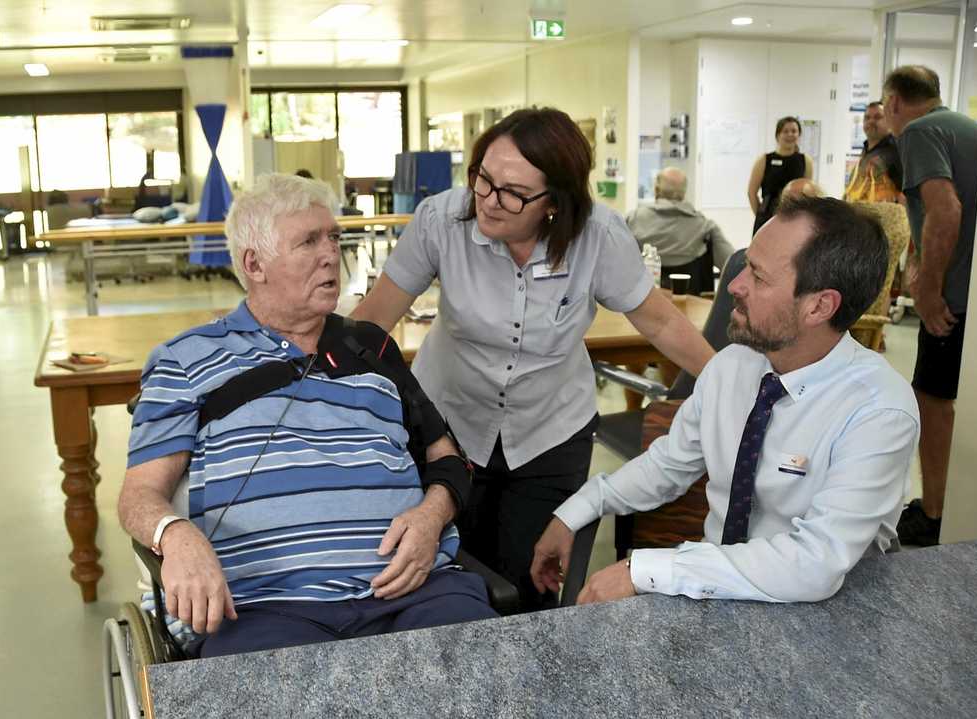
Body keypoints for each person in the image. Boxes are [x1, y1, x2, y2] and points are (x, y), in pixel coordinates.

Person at [351, 108, 714, 610]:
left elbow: (661, 322)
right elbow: (373, 322)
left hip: (550, 431)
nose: (490, 200)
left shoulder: (598, 237)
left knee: (528, 581)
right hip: (449, 424)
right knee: (454, 573)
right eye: (484, 179)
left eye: (514, 192)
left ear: (554, 201)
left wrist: (733, 385)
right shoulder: (442, 220)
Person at [119, 174, 496, 658]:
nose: (330, 255)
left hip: (415, 592)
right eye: (308, 241)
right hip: (266, 608)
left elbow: (450, 460)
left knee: (495, 681)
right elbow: (138, 497)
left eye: (333, 238)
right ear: (254, 264)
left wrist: (431, 516)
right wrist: (175, 535)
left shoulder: (372, 347)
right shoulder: (185, 360)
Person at [531, 196, 919, 605]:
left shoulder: (879, 411)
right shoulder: (733, 367)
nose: (734, 285)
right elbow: (667, 466)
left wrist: (645, 570)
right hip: (712, 591)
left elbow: (814, 564)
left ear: (819, 306)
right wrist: (575, 510)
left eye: (758, 275)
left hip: (826, 615)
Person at [881, 65, 977, 547]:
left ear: (894, 102)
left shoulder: (919, 133)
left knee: (932, 399)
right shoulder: (966, 128)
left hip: (956, 298)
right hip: (975, 293)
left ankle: (935, 512)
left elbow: (945, 209)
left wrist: (927, 290)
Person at [626, 167, 736, 294]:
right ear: (684, 193)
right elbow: (732, 266)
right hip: (690, 303)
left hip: (641, 301)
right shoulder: (705, 227)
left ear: (656, 190)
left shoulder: (632, 220)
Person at [748, 116, 815, 235]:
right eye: (785, 131)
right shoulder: (764, 160)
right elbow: (751, 192)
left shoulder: (805, 161)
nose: (790, 134)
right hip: (768, 217)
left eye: (794, 131)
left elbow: (808, 194)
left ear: (799, 135)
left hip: (795, 217)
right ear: (778, 135)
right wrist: (761, 215)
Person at [844, 101, 904, 203]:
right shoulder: (866, 152)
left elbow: (906, 194)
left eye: (877, 117)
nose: (871, 121)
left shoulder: (895, 152)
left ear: (890, 121)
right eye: (867, 118)